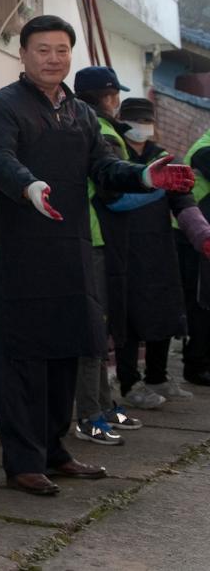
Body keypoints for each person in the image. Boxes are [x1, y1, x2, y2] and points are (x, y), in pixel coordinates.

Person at [0, 15, 195, 497]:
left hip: (71, 247)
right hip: (20, 248)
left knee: (65, 351)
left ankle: (55, 450)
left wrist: (145, 178)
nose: (53, 58)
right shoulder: (1, 107)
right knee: (24, 358)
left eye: (61, 50)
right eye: (42, 50)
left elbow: (104, 168)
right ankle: (23, 460)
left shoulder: (81, 115)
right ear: (23, 54)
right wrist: (28, 185)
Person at [114, 97, 210, 406]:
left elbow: (183, 200)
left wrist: (202, 234)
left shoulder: (163, 158)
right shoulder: (116, 158)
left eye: (146, 120)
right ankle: (130, 383)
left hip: (159, 243)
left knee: (164, 310)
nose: (142, 127)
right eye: (136, 120)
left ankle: (158, 376)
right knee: (128, 317)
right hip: (125, 243)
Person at [71, 65, 140, 445]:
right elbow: (112, 190)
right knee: (93, 330)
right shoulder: (99, 129)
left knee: (98, 329)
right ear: (106, 96)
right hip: (93, 237)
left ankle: (102, 405)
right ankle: (91, 415)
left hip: (94, 237)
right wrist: (152, 186)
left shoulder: (86, 124)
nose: (118, 103)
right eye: (115, 95)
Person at [179, 126, 210, 387]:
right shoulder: (204, 151)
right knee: (201, 301)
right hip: (194, 237)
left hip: (201, 234)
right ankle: (196, 364)